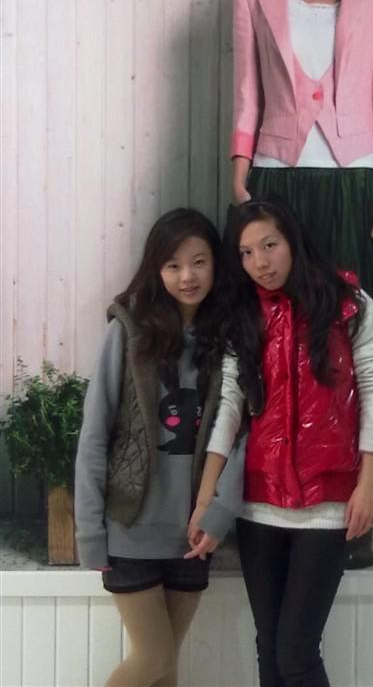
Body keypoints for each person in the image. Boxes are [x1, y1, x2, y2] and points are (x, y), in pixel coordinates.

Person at [189, 198, 373, 687]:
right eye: (246, 253)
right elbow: (230, 407)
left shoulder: (349, 304)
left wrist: (368, 483)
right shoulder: (243, 315)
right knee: (270, 650)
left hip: (327, 504)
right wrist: (206, 498)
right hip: (259, 505)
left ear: (293, 242)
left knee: (297, 654)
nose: (260, 262)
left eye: (269, 245)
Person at [229, 0, 373, 398]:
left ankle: (351, 448)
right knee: (276, 328)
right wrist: (240, 180)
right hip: (275, 177)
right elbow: (247, 94)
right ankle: (279, 444)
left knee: (351, 329)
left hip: (353, 177)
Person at [75, 208, 241, 687]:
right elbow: (95, 433)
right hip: (129, 528)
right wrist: (88, 531)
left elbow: (240, 434)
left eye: (199, 262)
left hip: (193, 534)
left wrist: (219, 513)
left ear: (216, 264)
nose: (187, 276)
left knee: (165, 671)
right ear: (157, 270)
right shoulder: (128, 333)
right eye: (173, 265)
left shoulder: (230, 339)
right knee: (152, 660)